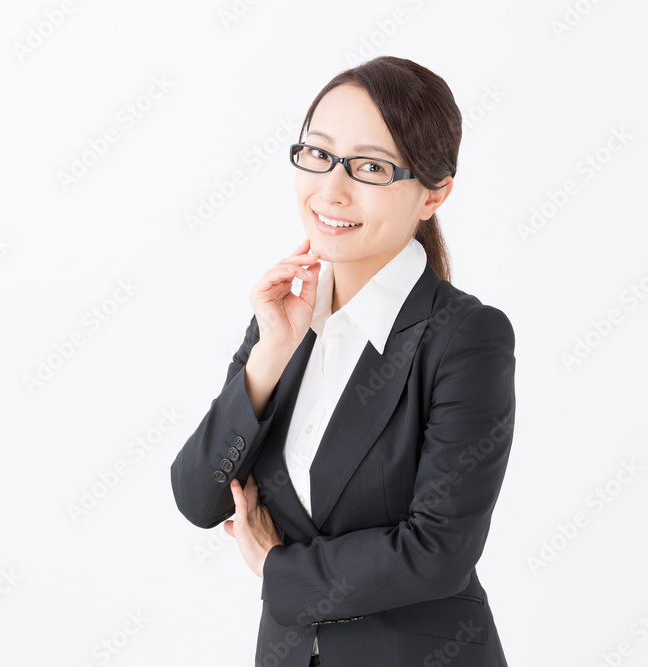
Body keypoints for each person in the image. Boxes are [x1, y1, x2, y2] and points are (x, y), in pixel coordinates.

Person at [170, 56, 516, 666]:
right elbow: (201, 497)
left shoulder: (466, 338)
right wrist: (269, 356)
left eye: (371, 167)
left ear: (433, 193)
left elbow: (438, 550)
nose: (331, 189)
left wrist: (280, 567)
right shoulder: (284, 319)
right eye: (319, 154)